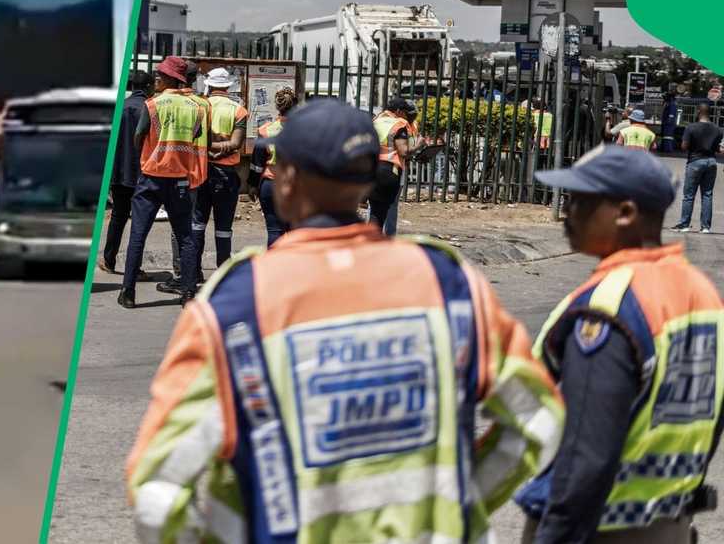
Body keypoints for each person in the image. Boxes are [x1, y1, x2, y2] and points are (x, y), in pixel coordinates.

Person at [126, 100, 563, 543]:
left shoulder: (236, 302)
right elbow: (540, 421)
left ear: (289, 179)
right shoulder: (450, 283)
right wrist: (461, 504)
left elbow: (157, 495)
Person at [516, 144, 724, 544]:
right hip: (671, 524)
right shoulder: (701, 292)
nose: (566, 212)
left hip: (597, 529)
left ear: (626, 213)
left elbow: (585, 458)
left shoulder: (610, 306)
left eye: (581, 201)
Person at [119, 56, 208, 308]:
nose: (156, 78)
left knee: (138, 234)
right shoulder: (198, 107)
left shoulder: (153, 104)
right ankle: (189, 292)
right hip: (179, 179)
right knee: (186, 237)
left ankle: (128, 292)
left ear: (172, 78)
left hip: (152, 178)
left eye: (160, 75)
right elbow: (195, 135)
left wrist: (151, 152)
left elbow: (138, 137)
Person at [161, 61, 213, 295]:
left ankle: (181, 275)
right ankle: (194, 271)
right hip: (200, 171)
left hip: (178, 171)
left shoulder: (171, 103)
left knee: (178, 228)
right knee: (193, 225)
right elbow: (208, 139)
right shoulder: (204, 104)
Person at [192, 67, 246, 269]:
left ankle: (193, 271)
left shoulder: (199, 106)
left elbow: (195, 140)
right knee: (224, 228)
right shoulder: (238, 110)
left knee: (197, 224)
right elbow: (236, 143)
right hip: (227, 175)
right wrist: (222, 148)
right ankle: (222, 274)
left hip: (202, 171)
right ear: (228, 86)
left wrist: (208, 149)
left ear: (208, 84)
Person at [100, 69, 152, 274]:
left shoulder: (119, 107)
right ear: (148, 87)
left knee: (118, 217)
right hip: (142, 172)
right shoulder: (149, 108)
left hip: (118, 173)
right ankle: (134, 269)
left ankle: (109, 261)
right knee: (139, 223)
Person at [248, 87, 296, 246]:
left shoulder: (266, 130)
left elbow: (257, 163)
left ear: (277, 106)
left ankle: (274, 268)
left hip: (270, 185)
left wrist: (253, 186)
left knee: (275, 230)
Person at [367, 97, 419, 236]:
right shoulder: (399, 124)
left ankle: (371, 240)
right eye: (406, 112)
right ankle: (378, 241)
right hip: (389, 171)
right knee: (382, 210)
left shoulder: (375, 120)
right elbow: (404, 151)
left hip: (371, 169)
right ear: (399, 111)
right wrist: (419, 145)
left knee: (375, 211)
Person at [674, 104, 723, 233]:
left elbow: (684, 146)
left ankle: (684, 224)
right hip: (711, 162)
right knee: (707, 195)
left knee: (689, 195)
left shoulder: (691, 127)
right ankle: (705, 227)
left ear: (698, 112)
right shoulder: (717, 129)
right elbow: (718, 149)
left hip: (695, 162)